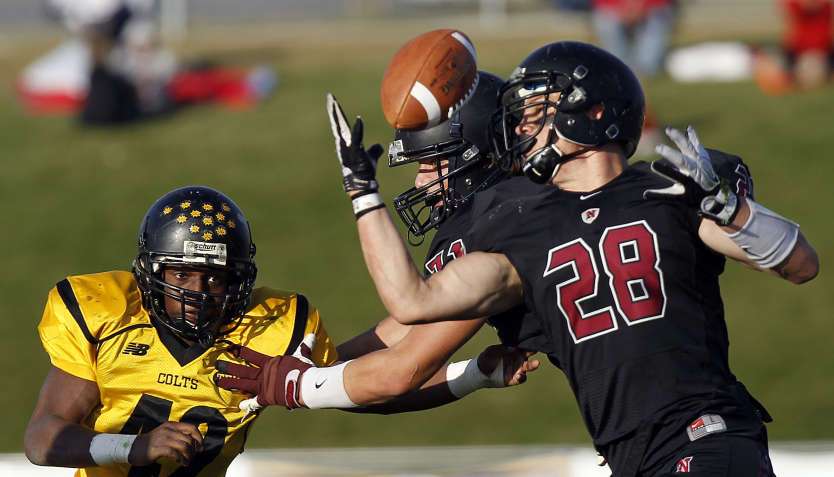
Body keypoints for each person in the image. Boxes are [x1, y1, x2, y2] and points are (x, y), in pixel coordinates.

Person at [278, 42, 816, 475]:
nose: (521, 129)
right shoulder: (522, 230)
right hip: (635, 456)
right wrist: (363, 194)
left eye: (536, 111)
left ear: (593, 113)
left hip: (708, 436)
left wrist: (734, 211)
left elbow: (800, 264)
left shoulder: (663, 192)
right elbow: (409, 303)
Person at [214, 72, 544, 412]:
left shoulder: (503, 229)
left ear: (479, 155)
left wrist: (298, 384)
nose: (420, 182)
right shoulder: (518, 210)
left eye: (432, 164)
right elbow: (398, 341)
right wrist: (317, 371)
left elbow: (400, 372)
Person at [24, 186, 338, 476]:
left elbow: (368, 391)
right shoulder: (110, 316)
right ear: (152, 272)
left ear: (237, 279)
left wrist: (309, 383)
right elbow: (42, 439)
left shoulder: (272, 329)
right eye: (182, 274)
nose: (198, 293)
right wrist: (134, 447)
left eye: (214, 278)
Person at [591, 0, 677, 77]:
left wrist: (641, 8)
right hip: (616, 10)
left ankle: (645, 68)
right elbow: (602, 3)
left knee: (658, 19)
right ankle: (619, 65)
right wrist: (622, 9)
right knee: (605, 21)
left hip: (651, 9)